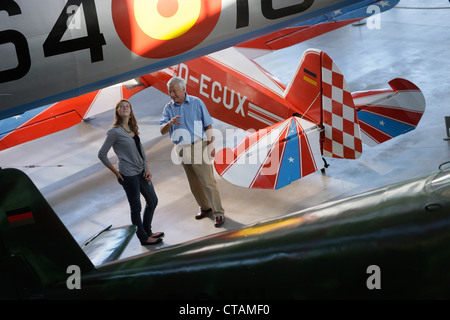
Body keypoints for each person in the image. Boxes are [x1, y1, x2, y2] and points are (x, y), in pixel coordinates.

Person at [160, 77, 225, 227]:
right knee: (194, 183)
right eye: (170, 91)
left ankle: (219, 213)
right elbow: (162, 130)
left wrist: (210, 146)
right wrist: (170, 123)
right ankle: (205, 207)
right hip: (181, 149)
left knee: (208, 182)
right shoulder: (168, 108)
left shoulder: (197, 103)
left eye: (174, 91)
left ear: (183, 89)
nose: (172, 94)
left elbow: (208, 125)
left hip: (198, 146)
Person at [98, 99, 163, 245]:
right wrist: (116, 172)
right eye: (121, 107)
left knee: (153, 201)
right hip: (128, 175)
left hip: (141, 171)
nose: (125, 108)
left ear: (130, 110)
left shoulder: (132, 128)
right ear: (118, 111)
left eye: (127, 106)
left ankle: (148, 231)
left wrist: (147, 168)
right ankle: (143, 238)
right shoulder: (114, 132)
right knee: (136, 207)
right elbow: (101, 154)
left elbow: (141, 150)